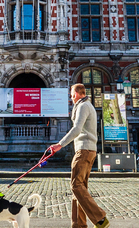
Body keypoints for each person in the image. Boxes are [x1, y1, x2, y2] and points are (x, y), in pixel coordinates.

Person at [49, 84, 110, 228]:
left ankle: (100, 218)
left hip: (84, 150)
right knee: (80, 189)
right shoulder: (88, 106)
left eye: (71, 94)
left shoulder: (83, 106)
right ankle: (78, 225)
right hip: (89, 150)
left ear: (76, 93)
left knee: (76, 185)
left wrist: (59, 145)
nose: (71, 98)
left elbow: (76, 129)